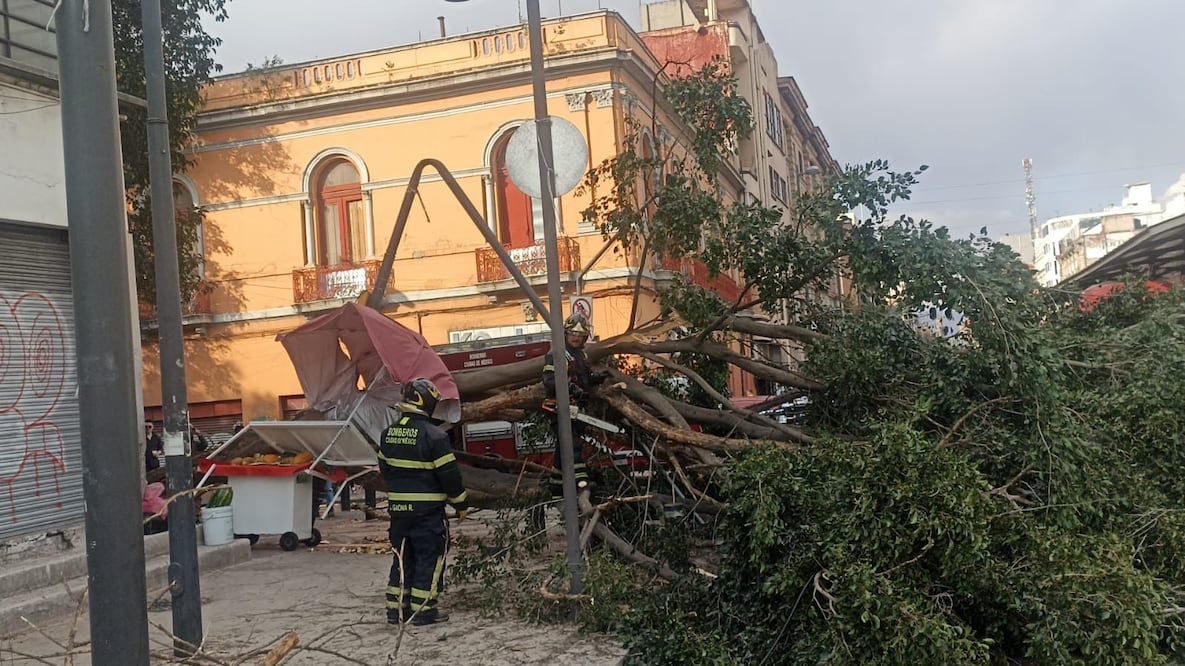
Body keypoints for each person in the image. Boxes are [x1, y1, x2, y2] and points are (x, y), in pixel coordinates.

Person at [377, 377, 468, 626]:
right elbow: (449, 475)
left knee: (402, 559)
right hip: (428, 514)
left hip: (398, 513)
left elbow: (385, 469)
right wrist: (461, 504)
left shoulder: (388, 435)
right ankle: (423, 612)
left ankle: (396, 611)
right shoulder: (434, 436)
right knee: (429, 557)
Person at [541, 312, 605, 495]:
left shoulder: (579, 355)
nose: (576, 338)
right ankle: (581, 481)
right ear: (565, 334)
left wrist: (595, 379)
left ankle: (556, 483)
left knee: (564, 445)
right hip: (558, 408)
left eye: (579, 335)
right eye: (573, 334)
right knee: (572, 444)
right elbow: (549, 379)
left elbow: (583, 378)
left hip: (575, 408)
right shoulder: (557, 354)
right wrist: (570, 388)